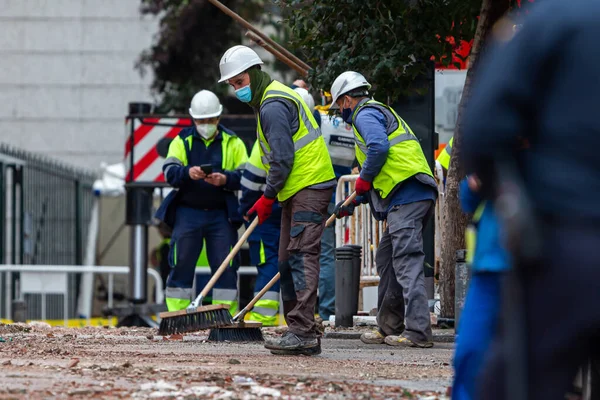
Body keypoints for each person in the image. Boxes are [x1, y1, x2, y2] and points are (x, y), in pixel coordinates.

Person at [461, 1, 600, 398]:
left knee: (522, 381)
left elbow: (483, 129)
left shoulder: (552, 20)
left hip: (568, 240)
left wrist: (510, 198)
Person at [218, 45, 335, 355]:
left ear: (255, 74)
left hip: (308, 186)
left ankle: (303, 332)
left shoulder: (272, 105)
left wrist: (266, 197)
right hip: (295, 190)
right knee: (285, 260)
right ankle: (300, 330)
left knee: (299, 257)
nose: (237, 90)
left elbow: (282, 158)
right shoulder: (271, 101)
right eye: (233, 85)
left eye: (240, 82)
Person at [330, 71, 438, 348]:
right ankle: (389, 326)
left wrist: (363, 181)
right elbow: (377, 178)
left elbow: (378, 149)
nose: (339, 113)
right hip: (408, 194)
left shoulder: (364, 114)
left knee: (406, 260)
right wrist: (352, 202)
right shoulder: (376, 113)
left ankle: (417, 333)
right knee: (387, 259)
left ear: (345, 100)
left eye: (338, 107)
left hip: (408, 195)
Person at [154, 89, 248, 313]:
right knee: (181, 263)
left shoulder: (233, 142)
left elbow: (246, 175)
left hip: (220, 214)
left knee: (225, 267)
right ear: (193, 119)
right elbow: (170, 172)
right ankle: (177, 316)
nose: (205, 124)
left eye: (209, 120)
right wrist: (188, 173)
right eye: (201, 120)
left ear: (218, 118)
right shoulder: (182, 141)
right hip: (188, 212)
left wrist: (225, 178)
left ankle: (225, 317)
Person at [451, 174, 510, 400]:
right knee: (469, 354)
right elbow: (468, 198)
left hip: (536, 272)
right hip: (489, 269)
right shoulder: (494, 147)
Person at [299, 87, 354, 321]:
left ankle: (325, 311)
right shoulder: (342, 124)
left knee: (318, 255)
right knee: (329, 256)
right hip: (341, 195)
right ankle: (328, 310)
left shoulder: (314, 123)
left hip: (318, 197)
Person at [239, 141, 282, 326]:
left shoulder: (265, 138)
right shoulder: (305, 133)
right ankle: (299, 318)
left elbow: (251, 180)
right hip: (295, 206)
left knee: (268, 260)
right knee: (295, 260)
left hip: (266, 210)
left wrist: (245, 208)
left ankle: (264, 316)